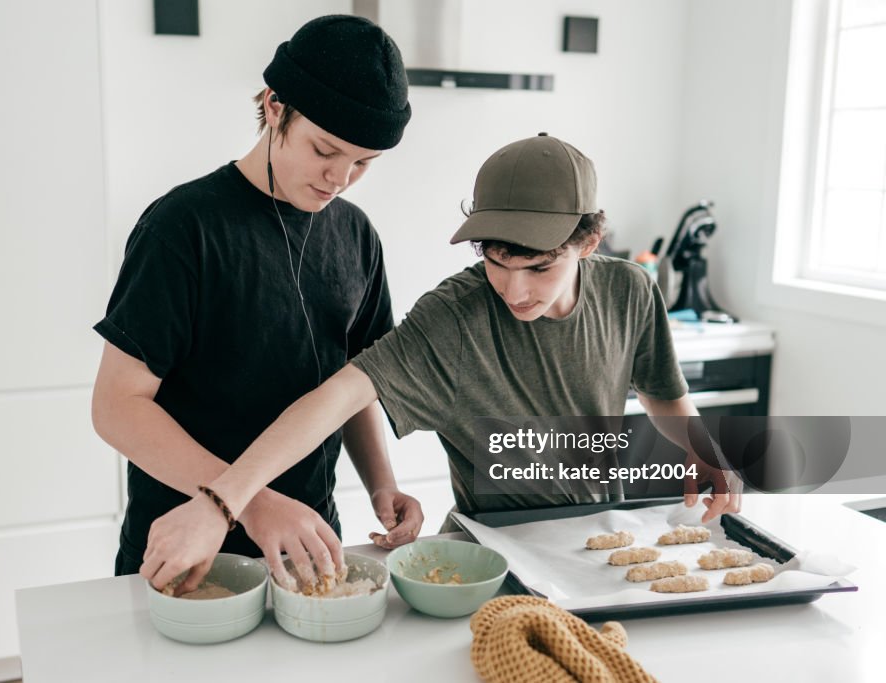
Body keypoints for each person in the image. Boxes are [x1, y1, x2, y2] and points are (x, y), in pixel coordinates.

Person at [139, 133, 743, 594]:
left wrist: (704, 449)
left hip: (602, 545)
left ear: (588, 244)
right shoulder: (454, 317)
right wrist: (225, 501)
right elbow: (339, 395)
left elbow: (666, 397)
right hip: (492, 558)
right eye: (497, 263)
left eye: (539, 268)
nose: (513, 289)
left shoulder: (631, 291)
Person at [91, 15, 424, 595]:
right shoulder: (182, 227)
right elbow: (117, 407)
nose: (340, 178)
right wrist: (247, 502)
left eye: (363, 162)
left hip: (308, 549)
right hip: (188, 552)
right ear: (275, 106)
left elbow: (354, 384)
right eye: (326, 149)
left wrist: (380, 486)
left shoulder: (357, 236)